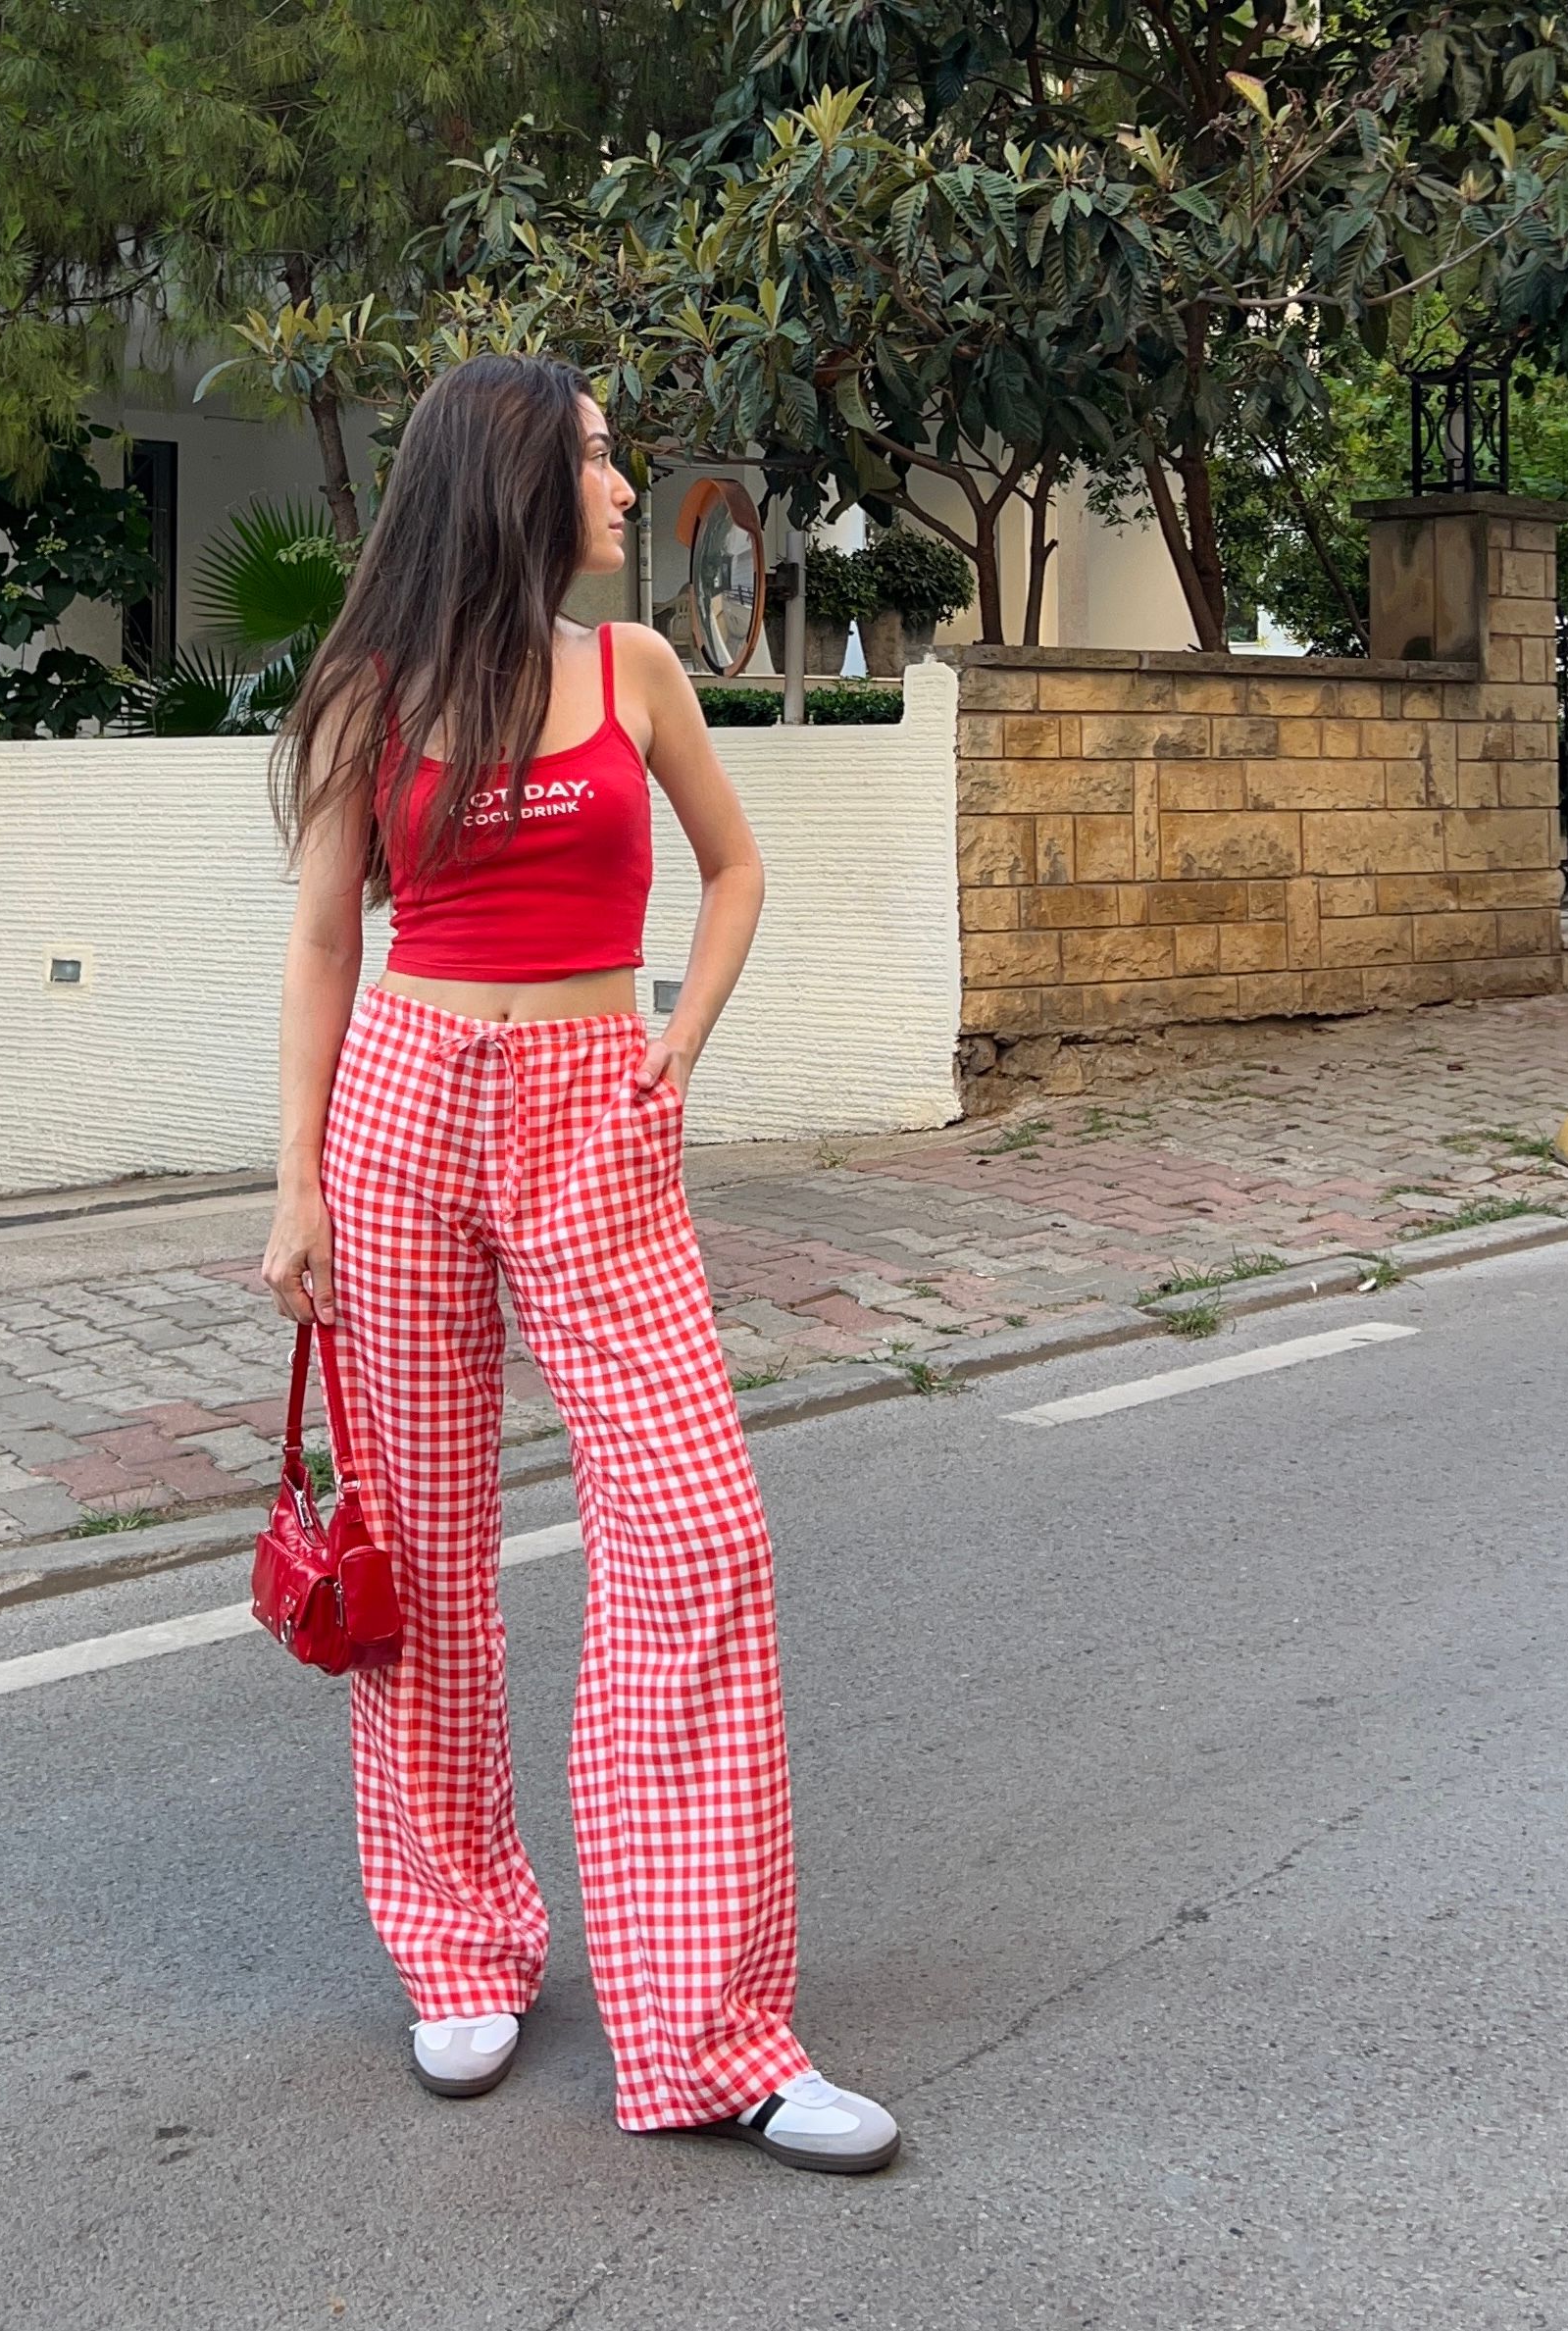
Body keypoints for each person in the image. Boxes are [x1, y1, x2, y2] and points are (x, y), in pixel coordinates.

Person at [261, 351, 897, 2175]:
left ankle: (712, 2029)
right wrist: (292, 1179)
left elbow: (736, 872)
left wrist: (672, 1053)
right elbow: (320, 947)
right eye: (604, 463)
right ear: (517, 483)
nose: (627, 491)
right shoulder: (365, 694)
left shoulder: (637, 672)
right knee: (427, 1546)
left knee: (697, 1529)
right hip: (398, 1112)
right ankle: (458, 1940)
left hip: (584, 1108)